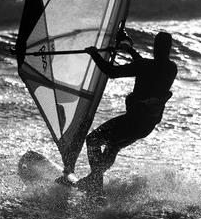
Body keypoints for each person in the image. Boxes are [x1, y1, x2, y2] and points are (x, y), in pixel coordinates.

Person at [61, 32, 178, 196]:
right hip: (146, 126)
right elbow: (145, 67)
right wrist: (130, 50)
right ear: (169, 48)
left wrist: (94, 54)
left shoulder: (146, 66)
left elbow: (111, 71)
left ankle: (95, 183)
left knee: (93, 140)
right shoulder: (171, 68)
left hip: (133, 121)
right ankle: (94, 181)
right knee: (113, 146)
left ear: (155, 47)